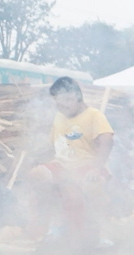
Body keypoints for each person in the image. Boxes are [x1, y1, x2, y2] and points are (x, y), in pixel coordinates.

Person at [26, 76, 114, 245]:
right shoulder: (59, 117)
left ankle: (99, 233)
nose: (60, 106)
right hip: (62, 165)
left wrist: (96, 168)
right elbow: (54, 145)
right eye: (57, 102)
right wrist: (38, 159)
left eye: (63, 102)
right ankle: (53, 224)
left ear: (74, 97)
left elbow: (107, 141)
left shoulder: (94, 115)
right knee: (36, 174)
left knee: (85, 187)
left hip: (87, 165)